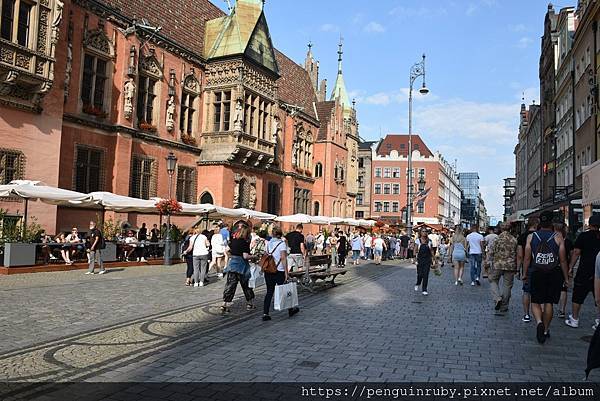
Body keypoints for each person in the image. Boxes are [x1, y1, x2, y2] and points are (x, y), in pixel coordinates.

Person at [523, 211, 569, 343]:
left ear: (540, 223)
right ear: (551, 223)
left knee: (536, 301)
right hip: (553, 272)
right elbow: (563, 260)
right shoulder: (558, 237)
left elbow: (527, 259)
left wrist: (524, 273)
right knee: (549, 302)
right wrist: (566, 278)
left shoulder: (531, 237)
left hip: (537, 272)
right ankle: (545, 329)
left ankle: (538, 322)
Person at [565, 214, 600, 329]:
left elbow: (576, 252)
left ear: (589, 224)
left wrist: (570, 267)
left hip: (585, 269)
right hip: (598, 269)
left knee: (578, 295)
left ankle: (574, 319)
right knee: (598, 295)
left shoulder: (583, 236)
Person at [262, 226, 299, 321]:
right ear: (280, 234)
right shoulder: (282, 244)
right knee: (285, 290)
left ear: (272, 234)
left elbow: (266, 255)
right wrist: (286, 272)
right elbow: (283, 258)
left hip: (269, 270)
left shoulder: (268, 243)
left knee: (269, 291)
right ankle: (290, 309)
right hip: (279, 270)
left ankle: (265, 313)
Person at [221, 222, 257, 313]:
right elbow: (245, 256)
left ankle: (225, 304)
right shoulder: (245, 242)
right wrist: (254, 257)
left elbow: (226, 250)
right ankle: (250, 303)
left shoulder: (233, 241)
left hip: (232, 264)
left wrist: (231, 256)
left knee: (230, 285)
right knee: (246, 285)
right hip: (242, 266)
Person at [489, 222, 518, 313]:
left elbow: (491, 252)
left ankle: (497, 298)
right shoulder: (514, 239)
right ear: (510, 229)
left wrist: (487, 261)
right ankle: (504, 306)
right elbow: (517, 253)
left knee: (493, 280)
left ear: (501, 229)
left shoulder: (497, 239)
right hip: (510, 265)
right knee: (507, 285)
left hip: (497, 264)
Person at [518, 217, 539, 323]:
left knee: (526, 291)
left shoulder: (522, 237)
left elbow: (521, 256)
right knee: (539, 291)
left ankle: (526, 314)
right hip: (541, 267)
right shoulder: (540, 236)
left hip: (528, 267)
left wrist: (520, 270)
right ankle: (540, 315)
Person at [555, 223, 574, 319]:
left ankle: (546, 307)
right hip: (564, 267)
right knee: (563, 289)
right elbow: (572, 255)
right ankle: (562, 310)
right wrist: (570, 267)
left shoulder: (553, 239)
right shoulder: (568, 242)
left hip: (552, 267)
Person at [414, 230, 433, 295]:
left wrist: (434, 259)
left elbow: (431, 251)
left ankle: (424, 289)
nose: (424, 232)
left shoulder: (429, 241)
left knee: (426, 275)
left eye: (425, 231)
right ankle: (418, 283)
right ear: (420, 233)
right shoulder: (417, 240)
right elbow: (415, 250)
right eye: (423, 231)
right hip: (420, 259)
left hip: (427, 260)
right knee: (420, 274)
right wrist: (414, 258)